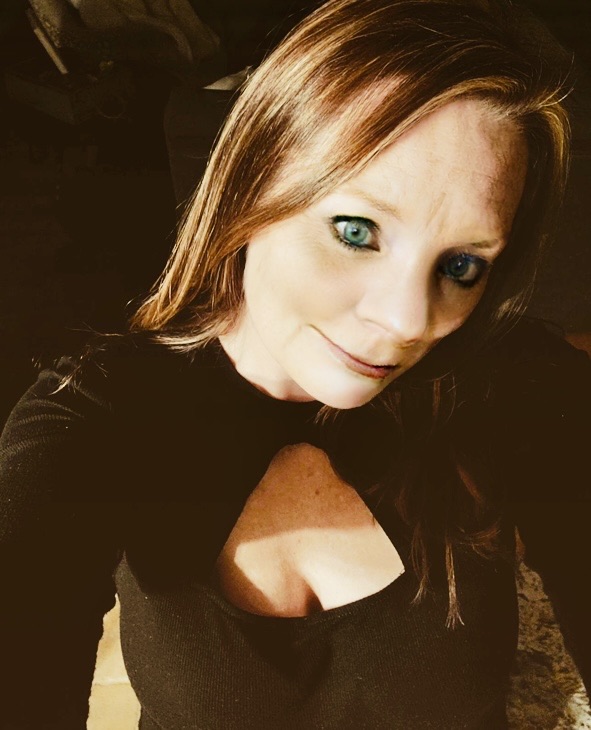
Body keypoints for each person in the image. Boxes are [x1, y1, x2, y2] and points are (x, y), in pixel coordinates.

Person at [1, 0, 589, 727]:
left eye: (461, 265)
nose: (409, 320)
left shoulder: (514, 384)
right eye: (356, 230)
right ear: (248, 182)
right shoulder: (95, 415)